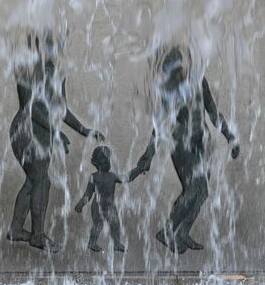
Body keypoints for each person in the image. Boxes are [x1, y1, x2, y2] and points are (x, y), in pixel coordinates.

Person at [7, 30, 104, 253]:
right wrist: (56, 133)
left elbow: (61, 110)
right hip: (26, 131)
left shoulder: (58, 75)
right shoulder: (27, 70)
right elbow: (28, 108)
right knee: (40, 180)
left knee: (35, 180)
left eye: (57, 46)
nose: (53, 51)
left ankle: (16, 228)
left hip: (43, 133)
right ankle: (38, 236)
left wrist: (84, 130)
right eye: (49, 46)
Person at [137, 46, 240, 254]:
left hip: (202, 142)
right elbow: (160, 124)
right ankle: (167, 231)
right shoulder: (169, 89)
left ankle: (183, 231)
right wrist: (149, 154)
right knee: (195, 188)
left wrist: (230, 136)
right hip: (182, 144)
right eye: (167, 68)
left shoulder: (199, 82)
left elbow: (212, 112)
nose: (171, 72)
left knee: (201, 193)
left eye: (174, 67)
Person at [75, 146, 144, 252]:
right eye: (103, 159)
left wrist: (138, 169)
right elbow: (88, 194)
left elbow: (126, 178)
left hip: (110, 206)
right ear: (96, 162)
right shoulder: (94, 177)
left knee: (115, 223)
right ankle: (92, 243)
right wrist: (81, 204)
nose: (107, 161)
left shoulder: (112, 176)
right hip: (97, 206)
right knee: (98, 225)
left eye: (108, 158)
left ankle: (116, 243)